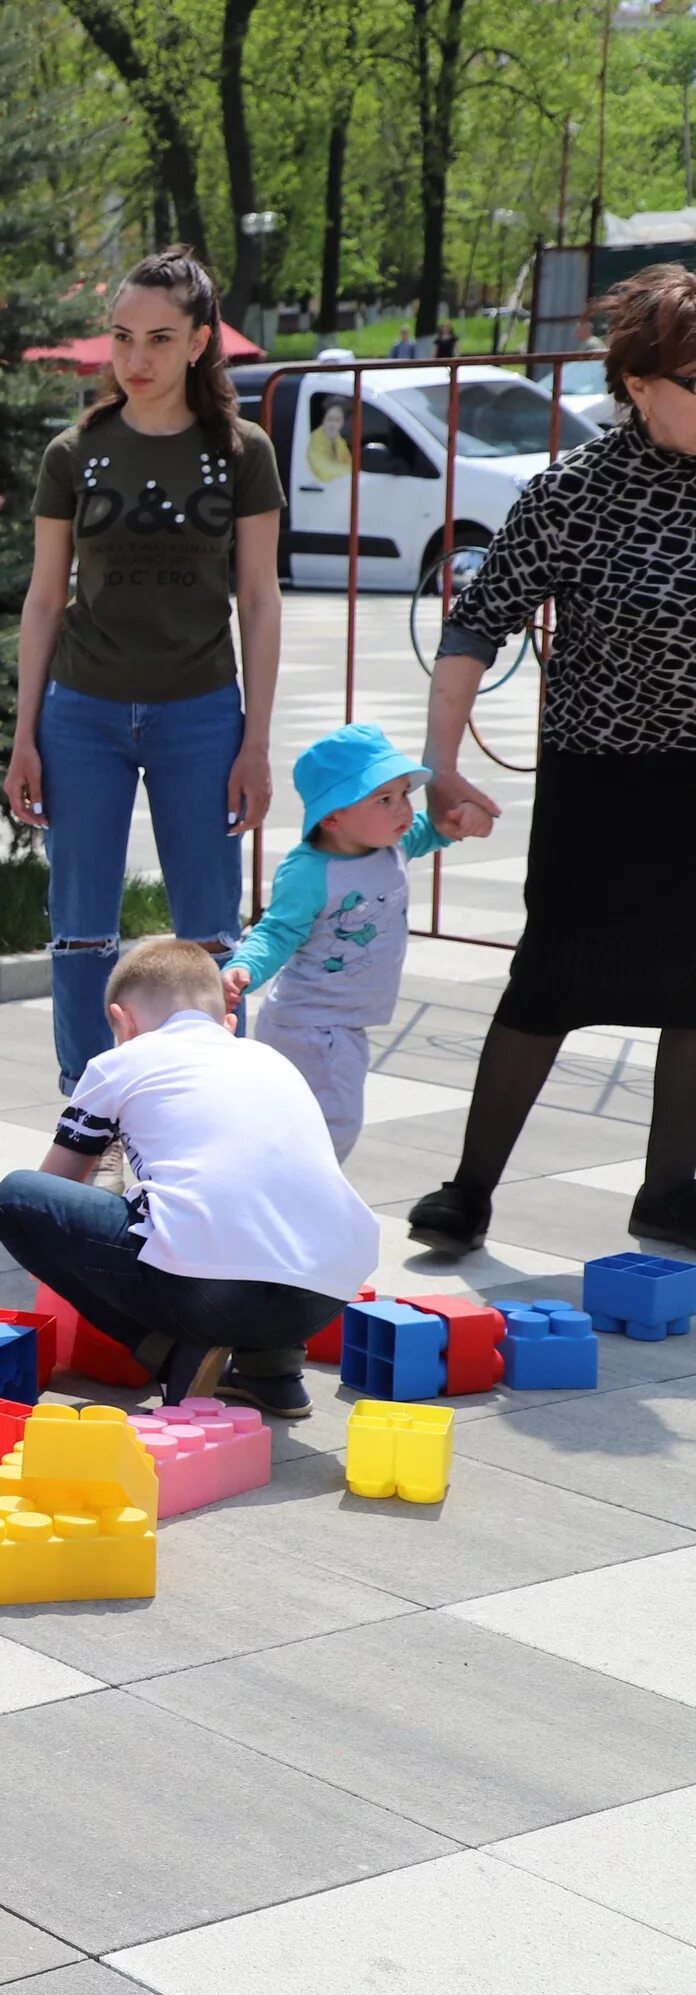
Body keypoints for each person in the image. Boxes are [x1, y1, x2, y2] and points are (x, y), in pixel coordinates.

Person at [403, 265, 696, 1255]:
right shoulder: (573, 492)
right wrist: (441, 764)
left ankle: (670, 1193)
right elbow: (477, 621)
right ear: (641, 383)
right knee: (549, 981)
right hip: (600, 784)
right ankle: (469, 1189)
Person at [6, 246, 284, 1095]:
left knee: (210, 932)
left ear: (201, 342)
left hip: (200, 714)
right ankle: (88, 1108)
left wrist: (256, 744)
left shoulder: (242, 452)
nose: (136, 359)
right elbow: (46, 599)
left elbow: (261, 601)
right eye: (123, 337)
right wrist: (24, 735)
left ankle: (209, 1100)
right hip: (80, 713)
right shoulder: (74, 453)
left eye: (160, 339)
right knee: (80, 930)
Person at [0, 938, 377, 1418]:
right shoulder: (271, 1060)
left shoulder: (122, 1061)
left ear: (123, 1021)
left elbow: (55, 1185)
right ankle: (271, 1372)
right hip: (326, 1292)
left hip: (211, 1295)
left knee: (15, 1199)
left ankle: (172, 1352)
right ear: (227, 1024)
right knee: (263, 1213)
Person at [220, 724, 483, 1160]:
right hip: (312, 1027)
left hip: (339, 1024)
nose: (402, 809)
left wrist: (463, 819)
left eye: (404, 794)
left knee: (299, 1127)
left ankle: (277, 1195)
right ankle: (303, 1202)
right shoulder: (310, 871)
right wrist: (244, 967)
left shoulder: (390, 844)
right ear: (332, 816)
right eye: (384, 799)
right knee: (331, 1128)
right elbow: (276, 931)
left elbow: (437, 829)